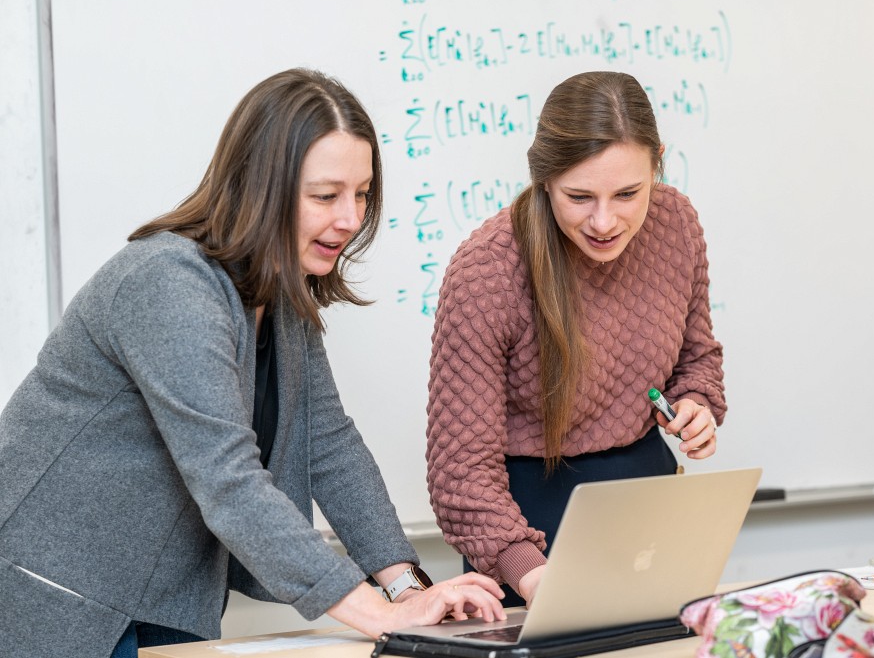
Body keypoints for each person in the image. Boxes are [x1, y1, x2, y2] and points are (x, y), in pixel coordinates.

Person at [0, 68, 504, 658]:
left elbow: (329, 445)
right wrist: (373, 612)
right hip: (60, 590)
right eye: (325, 195)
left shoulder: (279, 293)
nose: (350, 219)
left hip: (167, 593)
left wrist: (404, 586)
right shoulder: (167, 282)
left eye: (362, 193)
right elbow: (229, 479)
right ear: (260, 186)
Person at [425, 71, 726, 608]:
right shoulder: (487, 272)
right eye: (580, 196)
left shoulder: (675, 222)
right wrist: (528, 571)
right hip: (522, 526)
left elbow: (696, 355)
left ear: (657, 161)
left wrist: (695, 403)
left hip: (646, 503)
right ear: (542, 179)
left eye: (629, 193)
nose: (605, 220)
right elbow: (461, 471)